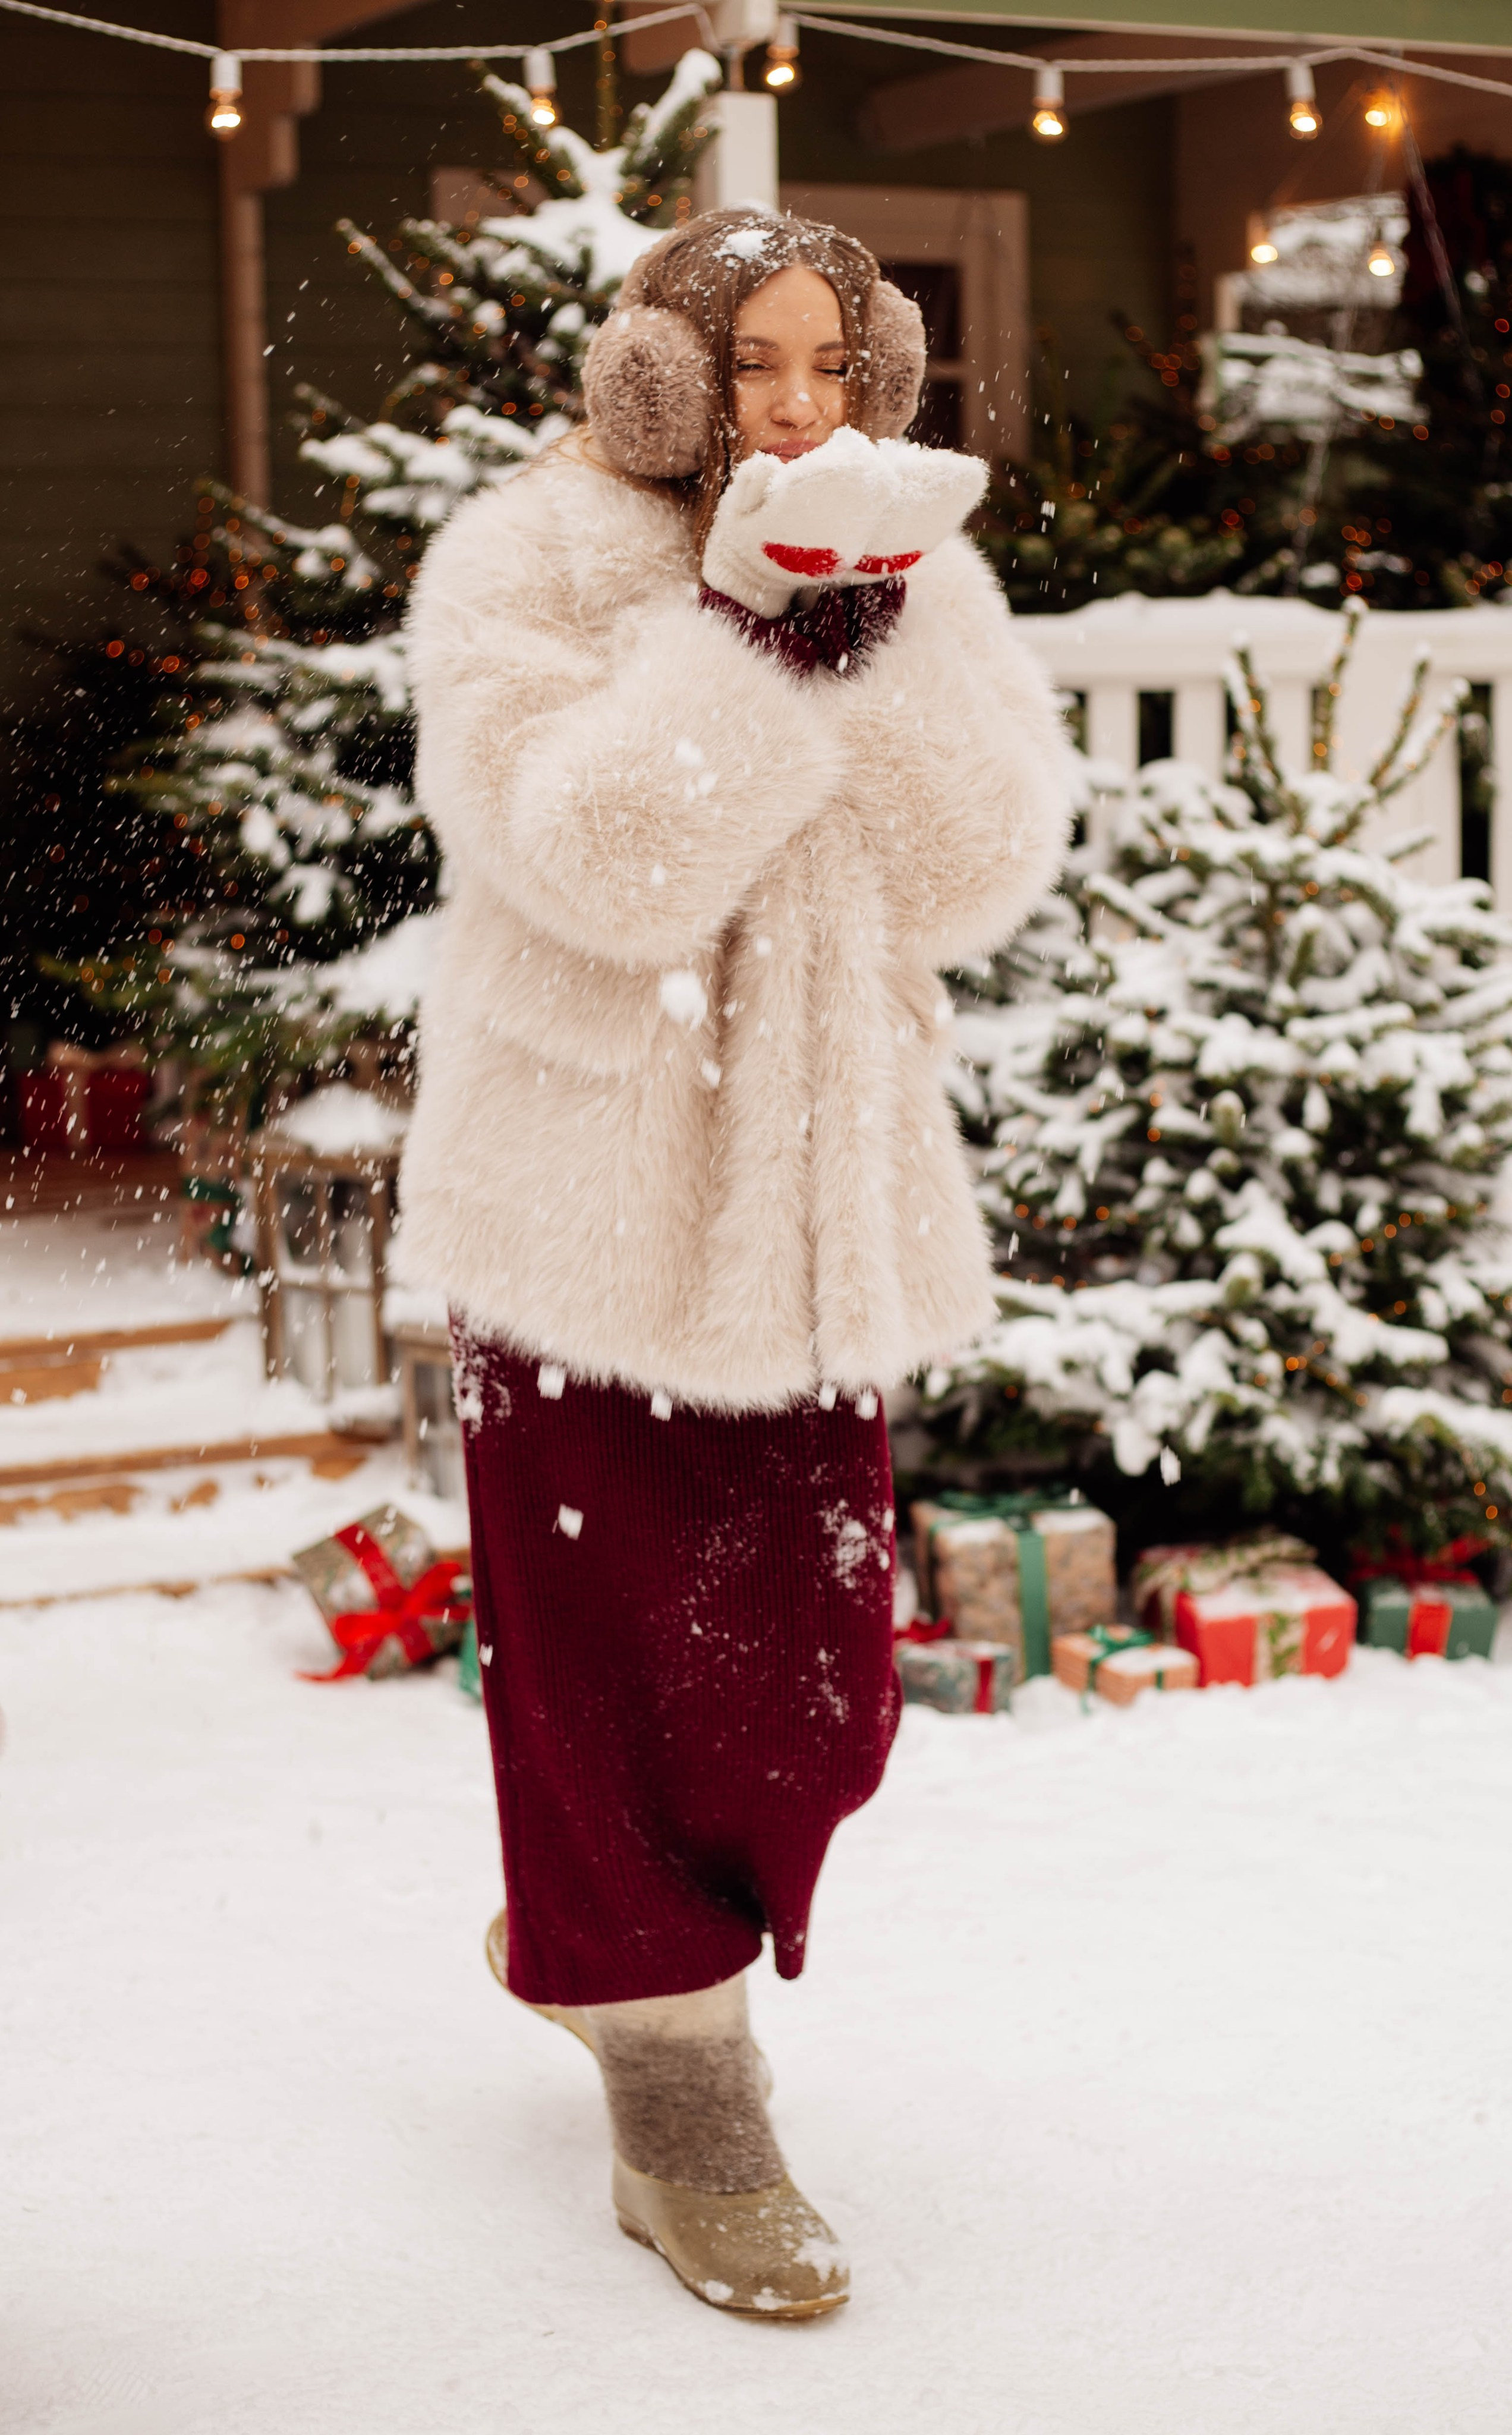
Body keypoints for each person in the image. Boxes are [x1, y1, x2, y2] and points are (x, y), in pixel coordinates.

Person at [398, 206, 1069, 2320]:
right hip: (584, 1212)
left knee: (814, 1693)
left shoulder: (904, 564)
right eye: (750, 367)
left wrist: (866, 638)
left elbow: (979, 866)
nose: (795, 409)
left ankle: (599, 1937)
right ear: (661, 380)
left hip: (805, 1219)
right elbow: (594, 862)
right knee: (611, 1659)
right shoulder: (531, 562)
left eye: (830, 366)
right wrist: (748, 636)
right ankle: (680, 2085)